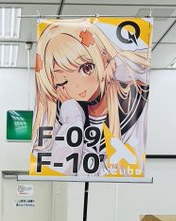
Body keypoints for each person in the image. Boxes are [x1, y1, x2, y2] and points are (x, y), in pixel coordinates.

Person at [32, 19, 150, 176]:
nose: (78, 87)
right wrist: (73, 119)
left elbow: (143, 66)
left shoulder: (132, 103)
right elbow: (61, 170)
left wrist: (117, 64)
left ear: (103, 58)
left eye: (86, 68)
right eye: (63, 81)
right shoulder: (56, 113)